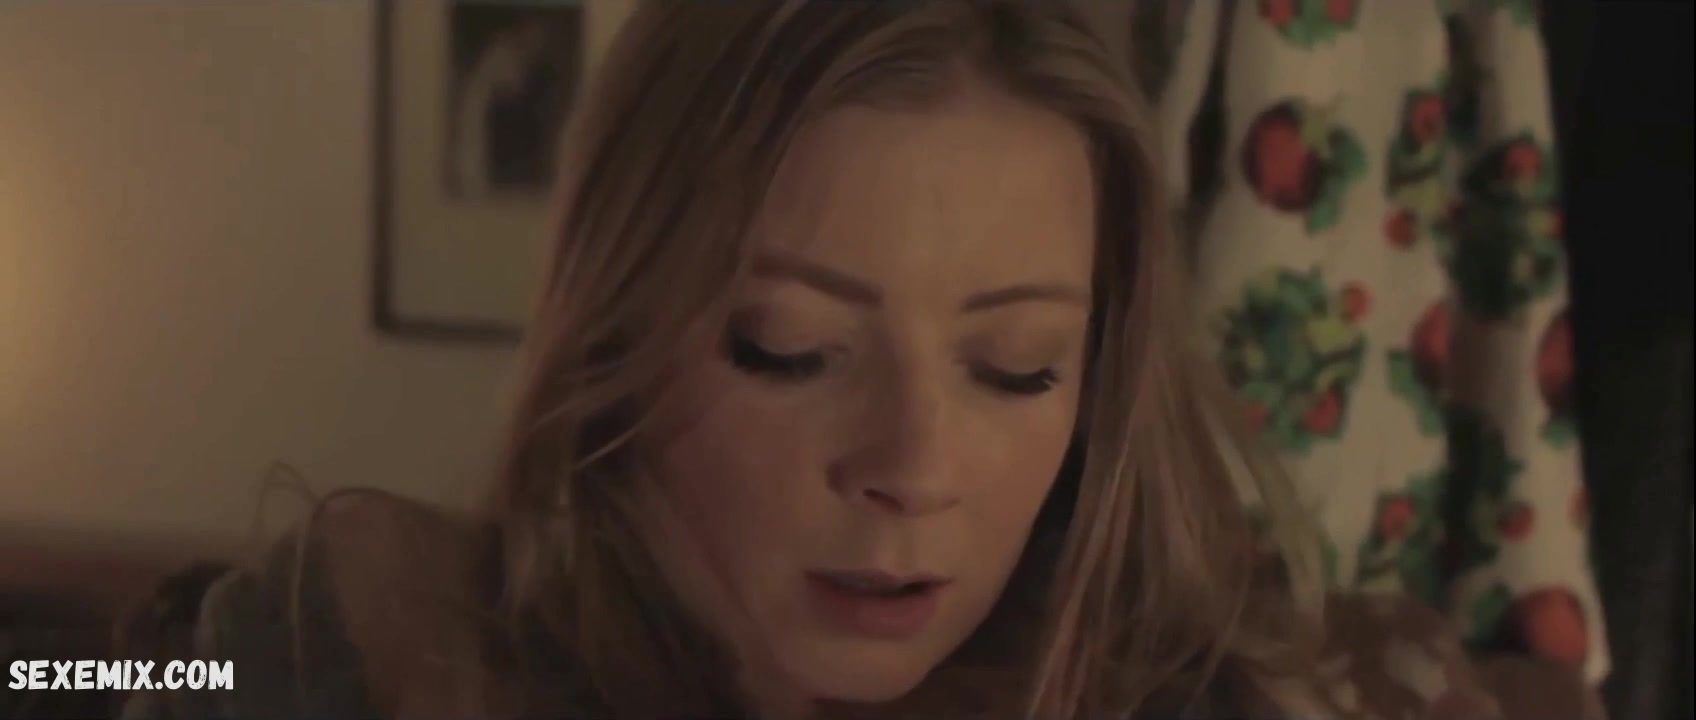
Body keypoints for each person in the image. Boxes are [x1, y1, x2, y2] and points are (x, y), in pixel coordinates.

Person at [120, 3, 1500, 718]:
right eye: (791, 350)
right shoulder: (348, 646)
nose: (914, 468)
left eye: (1017, 367)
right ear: (617, 326)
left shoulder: (1238, 697)